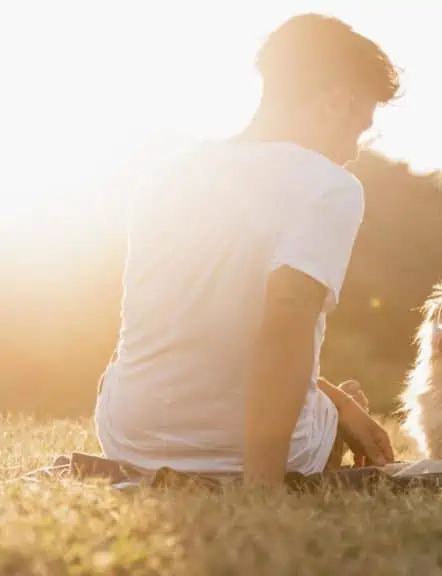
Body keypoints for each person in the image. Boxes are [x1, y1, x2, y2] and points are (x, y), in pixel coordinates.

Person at [94, 13, 399, 487]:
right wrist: (264, 486)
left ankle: (334, 405)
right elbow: (288, 318)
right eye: (359, 128)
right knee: (326, 397)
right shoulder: (331, 186)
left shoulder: (166, 174)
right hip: (244, 454)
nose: (355, 150)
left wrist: (335, 400)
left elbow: (206, 337)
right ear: (336, 104)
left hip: (129, 440)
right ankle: (332, 418)